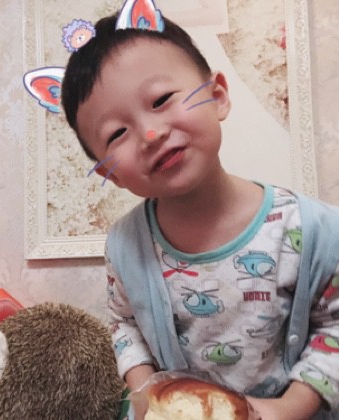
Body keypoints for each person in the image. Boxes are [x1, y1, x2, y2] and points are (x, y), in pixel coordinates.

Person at [61, 13, 339, 420]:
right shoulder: (125, 245)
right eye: (117, 133)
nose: (151, 134)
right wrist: (145, 395)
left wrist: (289, 408)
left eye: (161, 100)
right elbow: (125, 324)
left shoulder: (311, 230)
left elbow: (334, 326)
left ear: (218, 95)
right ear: (110, 174)